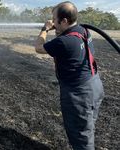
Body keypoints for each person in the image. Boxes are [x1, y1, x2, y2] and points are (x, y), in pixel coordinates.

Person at [35, 1, 104, 150]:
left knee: (81, 135)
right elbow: (65, 35)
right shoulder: (84, 30)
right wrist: (58, 29)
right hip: (94, 85)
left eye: (54, 19)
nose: (52, 22)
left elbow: (38, 48)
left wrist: (44, 29)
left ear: (64, 21)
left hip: (79, 94)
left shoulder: (64, 41)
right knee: (87, 127)